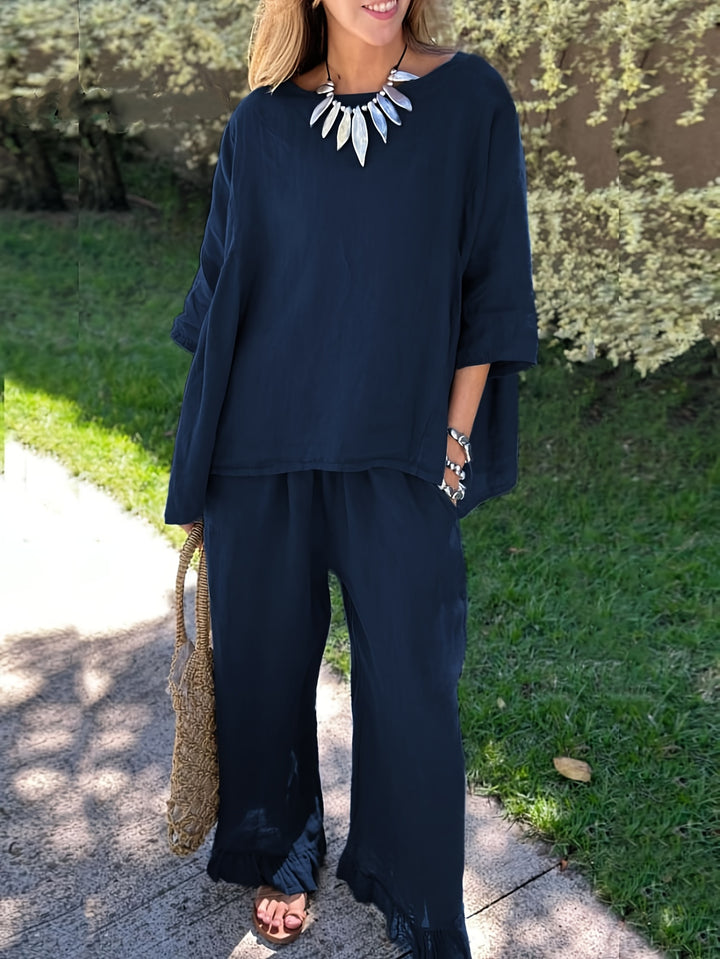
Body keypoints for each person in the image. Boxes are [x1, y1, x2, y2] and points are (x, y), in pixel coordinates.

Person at [164, 0, 538, 954]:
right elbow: (222, 295)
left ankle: (416, 893)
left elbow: (493, 280)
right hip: (260, 453)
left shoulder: (472, 100)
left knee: (415, 685)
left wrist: (453, 441)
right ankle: (282, 848)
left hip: (402, 453)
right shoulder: (260, 123)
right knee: (262, 668)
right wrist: (201, 468)